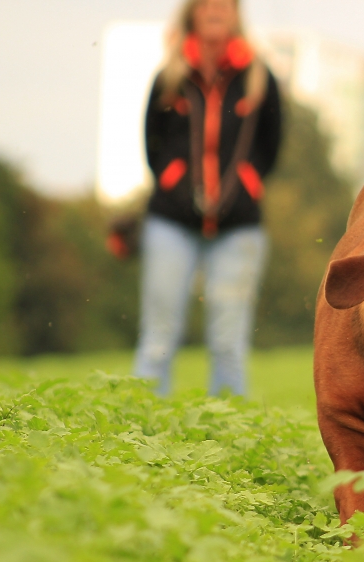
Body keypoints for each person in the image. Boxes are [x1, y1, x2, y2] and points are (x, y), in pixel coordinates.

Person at [133, 0, 283, 396]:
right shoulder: (170, 77)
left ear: (235, 15)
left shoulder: (259, 76)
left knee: (228, 342)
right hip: (170, 222)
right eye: (206, 5)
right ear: (192, 15)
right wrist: (173, 181)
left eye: (224, 4)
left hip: (239, 226)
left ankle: (228, 434)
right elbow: (153, 142)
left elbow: (272, 144)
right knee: (158, 335)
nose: (215, 10)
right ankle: (136, 425)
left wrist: (246, 183)